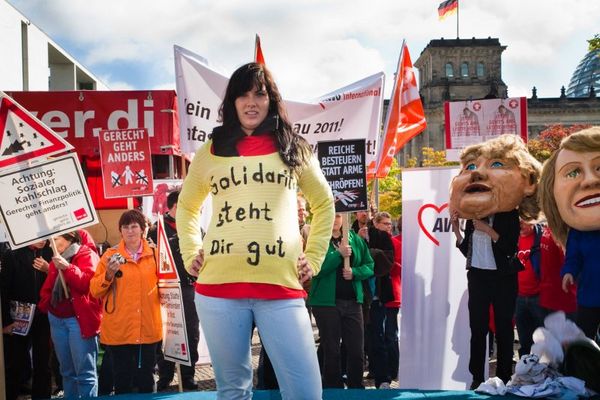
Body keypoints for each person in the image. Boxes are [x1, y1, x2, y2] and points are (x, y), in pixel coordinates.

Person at [176, 62, 335, 399]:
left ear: (271, 100)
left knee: (306, 392)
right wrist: (191, 252)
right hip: (217, 290)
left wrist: (315, 258)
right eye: (243, 95)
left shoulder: (295, 148)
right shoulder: (210, 151)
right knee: (233, 391)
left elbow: (324, 204)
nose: (251, 102)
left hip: (281, 287)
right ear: (232, 102)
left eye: (259, 94)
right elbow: (187, 207)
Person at [449, 134, 541, 389]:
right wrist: (457, 228)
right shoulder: (471, 218)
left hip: (503, 277)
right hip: (477, 276)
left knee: (503, 329)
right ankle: (476, 377)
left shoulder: (508, 217)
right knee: (477, 330)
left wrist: (486, 230)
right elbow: (465, 249)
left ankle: (503, 375)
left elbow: (508, 247)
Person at [89, 209, 162, 394]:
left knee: (146, 379)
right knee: (122, 380)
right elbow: (95, 290)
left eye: (134, 226)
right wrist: (108, 275)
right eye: (125, 227)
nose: (130, 231)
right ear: (120, 230)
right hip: (119, 329)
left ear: (143, 229)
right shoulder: (109, 256)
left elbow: (167, 288)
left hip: (148, 327)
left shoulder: (156, 254)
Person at [539, 127, 600, 339]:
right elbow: (573, 257)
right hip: (590, 296)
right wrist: (568, 272)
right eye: (573, 172)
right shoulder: (579, 231)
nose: (590, 181)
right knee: (585, 342)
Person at [308, 213, 374, 388]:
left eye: (338, 215)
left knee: (356, 350)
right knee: (331, 350)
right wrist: (338, 254)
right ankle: (333, 388)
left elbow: (369, 265)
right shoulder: (318, 239)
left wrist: (355, 273)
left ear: (345, 218)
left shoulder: (354, 239)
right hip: (326, 304)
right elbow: (315, 269)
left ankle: (355, 388)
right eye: (331, 215)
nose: (335, 219)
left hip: (353, 303)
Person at [38, 231, 101, 398]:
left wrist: (67, 267)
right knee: (66, 371)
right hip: (58, 320)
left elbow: (88, 285)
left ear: (68, 239)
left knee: (85, 373)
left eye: (55, 239)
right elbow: (48, 287)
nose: (51, 243)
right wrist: (47, 304)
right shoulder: (56, 257)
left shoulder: (86, 254)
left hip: (78, 321)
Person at [148, 190, 200, 391]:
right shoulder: (156, 229)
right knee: (166, 333)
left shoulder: (194, 227)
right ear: (175, 206)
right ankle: (166, 374)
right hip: (164, 289)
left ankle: (188, 375)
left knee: (190, 332)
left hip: (189, 288)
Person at [1, 240, 53, 400]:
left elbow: (60, 282)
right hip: (17, 318)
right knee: (14, 364)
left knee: (43, 363)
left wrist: (49, 269)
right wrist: (6, 322)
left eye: (45, 236)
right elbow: (3, 290)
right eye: (39, 236)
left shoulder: (51, 253)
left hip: (43, 316)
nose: (43, 240)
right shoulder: (12, 254)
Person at [368, 211, 400, 389]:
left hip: (382, 296)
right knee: (371, 338)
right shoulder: (364, 235)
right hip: (365, 295)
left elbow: (388, 263)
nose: (389, 226)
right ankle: (377, 371)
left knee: (384, 336)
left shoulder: (389, 240)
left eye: (390, 223)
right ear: (376, 223)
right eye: (385, 223)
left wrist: (371, 253)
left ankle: (385, 376)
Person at [514, 220, 545, 357]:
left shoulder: (543, 238)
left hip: (538, 298)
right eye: (518, 221)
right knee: (525, 341)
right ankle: (526, 371)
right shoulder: (512, 237)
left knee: (543, 341)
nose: (521, 225)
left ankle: (545, 373)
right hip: (518, 298)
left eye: (525, 221)